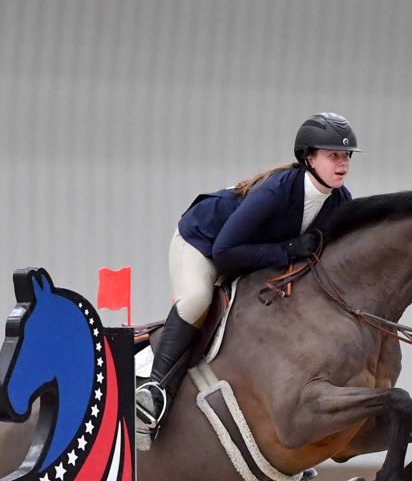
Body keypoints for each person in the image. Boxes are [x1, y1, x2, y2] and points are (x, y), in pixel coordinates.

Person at [136, 112, 358, 435]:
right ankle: (154, 392)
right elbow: (225, 250)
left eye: (347, 156)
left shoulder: (340, 201)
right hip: (203, 242)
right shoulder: (278, 191)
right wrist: (288, 250)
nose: (343, 164)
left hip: (250, 256)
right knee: (198, 298)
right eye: (333, 155)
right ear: (309, 158)